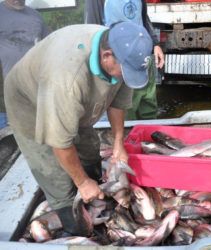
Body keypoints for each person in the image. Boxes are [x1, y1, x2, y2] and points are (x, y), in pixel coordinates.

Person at [4, 21, 153, 236]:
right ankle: (70, 212)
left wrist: (119, 144)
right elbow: (60, 143)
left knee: (90, 152)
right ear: (106, 56)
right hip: (30, 103)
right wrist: (82, 182)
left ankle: (91, 190)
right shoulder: (66, 79)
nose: (125, 75)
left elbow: (118, 101)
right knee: (58, 180)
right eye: (125, 71)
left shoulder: (123, 54)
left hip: (69, 96)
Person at [104, 0, 165, 120]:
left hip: (142, 51)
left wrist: (155, 44)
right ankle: (127, 133)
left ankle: (150, 129)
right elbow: (93, 22)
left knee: (149, 101)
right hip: (119, 55)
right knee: (126, 105)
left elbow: (143, 17)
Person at [0, 0, 49, 129]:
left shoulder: (35, 16)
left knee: (31, 128)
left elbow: (48, 44)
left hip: (33, 83)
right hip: (6, 85)